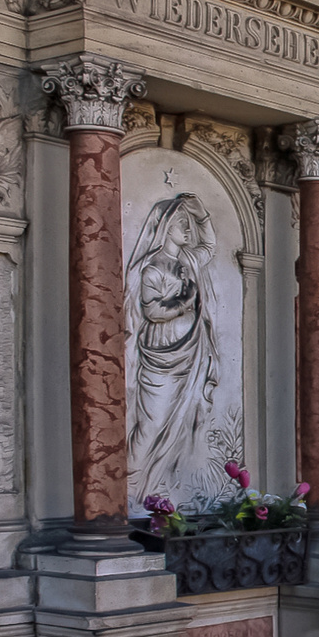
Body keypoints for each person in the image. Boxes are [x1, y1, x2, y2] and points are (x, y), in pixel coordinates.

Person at [125, 193, 221, 506]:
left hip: (191, 354)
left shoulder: (190, 260)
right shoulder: (152, 270)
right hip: (160, 359)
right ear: (166, 229)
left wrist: (202, 214)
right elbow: (153, 312)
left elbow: (209, 247)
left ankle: (161, 491)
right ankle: (129, 487)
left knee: (182, 423)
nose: (188, 229)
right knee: (151, 425)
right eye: (182, 224)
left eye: (190, 224)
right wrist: (184, 302)